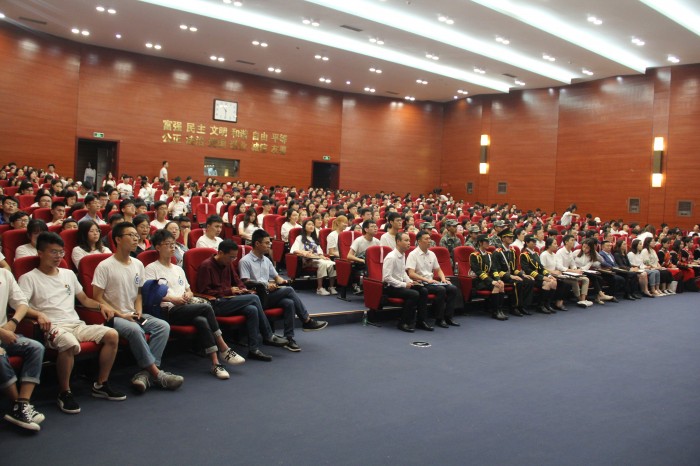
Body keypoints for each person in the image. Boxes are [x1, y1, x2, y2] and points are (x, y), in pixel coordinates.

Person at [19, 232, 125, 415]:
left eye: (61, 252)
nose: (58, 256)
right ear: (40, 253)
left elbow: (84, 299)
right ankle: (64, 392)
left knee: (112, 335)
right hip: (52, 327)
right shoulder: (28, 278)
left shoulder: (68, 274)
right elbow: (21, 307)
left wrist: (101, 305)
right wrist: (38, 314)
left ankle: (101, 384)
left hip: (76, 324)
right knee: (69, 342)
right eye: (53, 252)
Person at [92, 221, 184, 393]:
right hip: (114, 317)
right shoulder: (105, 266)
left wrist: (139, 310)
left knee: (162, 326)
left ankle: (145, 374)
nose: (136, 239)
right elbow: (97, 297)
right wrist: (121, 315)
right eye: (131, 235)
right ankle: (157, 374)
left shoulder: (138, 264)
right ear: (118, 239)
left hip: (133, 314)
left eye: (136, 235)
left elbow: (139, 293)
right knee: (135, 330)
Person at [145, 231, 245, 378]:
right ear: (158, 247)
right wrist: (172, 299)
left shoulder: (178, 269)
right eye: (168, 244)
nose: (172, 247)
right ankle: (223, 347)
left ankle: (216, 363)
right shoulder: (151, 268)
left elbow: (189, 290)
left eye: (173, 244)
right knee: (206, 307)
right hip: (167, 311)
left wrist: (188, 295)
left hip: (184, 307)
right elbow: (150, 295)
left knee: (201, 320)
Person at [196, 239, 288, 362]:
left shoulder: (228, 263)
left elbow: (238, 281)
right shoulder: (206, 266)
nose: (233, 260)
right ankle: (268, 335)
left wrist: (243, 289)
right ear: (221, 253)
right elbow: (204, 291)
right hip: (215, 304)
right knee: (254, 298)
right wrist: (228, 291)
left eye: (235, 257)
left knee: (252, 309)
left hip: (229, 300)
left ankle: (253, 349)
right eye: (231, 257)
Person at [239, 229, 328, 352]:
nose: (269, 245)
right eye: (266, 243)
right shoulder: (245, 261)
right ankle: (306, 320)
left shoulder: (266, 260)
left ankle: (289, 338)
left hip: (268, 295)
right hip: (256, 297)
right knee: (289, 291)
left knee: (289, 302)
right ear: (257, 244)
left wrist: (283, 282)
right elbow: (245, 283)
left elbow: (277, 278)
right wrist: (265, 285)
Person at [0, 267, 45, 431]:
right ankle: (17, 406)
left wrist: (13, 322)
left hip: (6, 332)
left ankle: (22, 403)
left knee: (36, 348)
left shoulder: (4, 274)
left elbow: (21, 303)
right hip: (2, 333)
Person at [406, 230, 461, 327]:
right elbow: (411, 274)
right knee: (441, 290)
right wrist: (427, 280)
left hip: (431, 282)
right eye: (426, 239)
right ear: (419, 241)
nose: (429, 241)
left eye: (429, 238)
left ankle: (448, 317)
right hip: (421, 282)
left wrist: (443, 279)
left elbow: (438, 270)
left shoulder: (432, 254)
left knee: (452, 288)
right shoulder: (413, 254)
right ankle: (439, 319)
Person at [384, 232, 433, 332]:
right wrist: (404, 284)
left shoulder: (402, 255)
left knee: (423, 290)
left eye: (409, 240)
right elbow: (387, 278)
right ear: (398, 241)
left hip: (400, 284)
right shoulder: (391, 257)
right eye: (406, 240)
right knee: (414, 294)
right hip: (391, 287)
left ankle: (421, 321)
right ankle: (403, 322)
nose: (409, 243)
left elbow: (403, 273)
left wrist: (410, 282)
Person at [520, 235, 568, 313]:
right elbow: (527, 270)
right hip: (530, 277)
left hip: (538, 276)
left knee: (553, 281)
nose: (535, 243)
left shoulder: (535, 254)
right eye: (532, 241)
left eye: (535, 241)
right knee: (548, 283)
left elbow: (541, 268)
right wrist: (542, 277)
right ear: (527, 243)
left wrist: (549, 275)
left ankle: (547, 304)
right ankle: (540, 305)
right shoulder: (524, 255)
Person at [492, 229, 535, 316]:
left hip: (511, 275)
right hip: (502, 276)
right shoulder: (497, 252)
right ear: (503, 239)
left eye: (512, 237)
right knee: (518, 282)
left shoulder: (512, 251)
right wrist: (511, 276)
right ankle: (514, 307)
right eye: (509, 237)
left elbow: (514, 269)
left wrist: (523, 274)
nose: (511, 238)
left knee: (529, 281)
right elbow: (497, 270)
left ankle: (523, 306)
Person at [290, 219, 337, 295]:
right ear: (304, 227)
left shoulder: (314, 239)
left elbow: (319, 252)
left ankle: (331, 287)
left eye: (312, 225)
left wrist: (323, 257)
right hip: (306, 260)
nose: (311, 226)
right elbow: (294, 250)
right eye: (309, 224)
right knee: (322, 264)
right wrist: (304, 252)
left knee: (332, 263)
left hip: (316, 258)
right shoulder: (299, 238)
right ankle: (319, 288)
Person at [470, 234, 508, 320]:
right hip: (479, 280)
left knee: (501, 284)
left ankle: (500, 310)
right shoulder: (474, 255)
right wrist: (491, 281)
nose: (488, 244)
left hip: (488, 279)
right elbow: (478, 272)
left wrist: (498, 279)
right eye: (486, 242)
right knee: (496, 286)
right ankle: (495, 312)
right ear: (480, 243)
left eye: (488, 242)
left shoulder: (489, 255)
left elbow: (494, 269)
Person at [549, 234, 593, 307]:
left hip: (569, 273)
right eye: (572, 240)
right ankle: (580, 299)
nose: (574, 242)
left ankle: (583, 299)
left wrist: (576, 270)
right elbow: (559, 267)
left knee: (586, 279)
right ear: (566, 242)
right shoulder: (560, 252)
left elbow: (573, 264)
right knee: (574, 281)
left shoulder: (570, 252)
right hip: (561, 274)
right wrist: (572, 271)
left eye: (574, 240)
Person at [347, 220, 381, 294]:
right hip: (361, 264)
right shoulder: (358, 241)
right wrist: (362, 260)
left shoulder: (377, 241)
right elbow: (349, 256)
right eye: (372, 226)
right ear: (366, 229)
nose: (375, 228)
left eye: (376, 226)